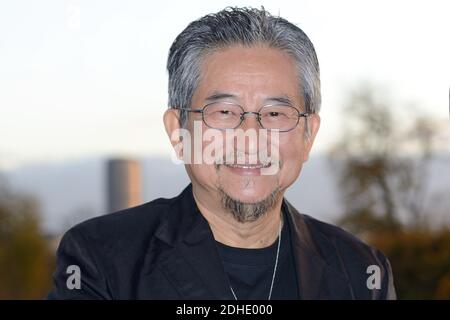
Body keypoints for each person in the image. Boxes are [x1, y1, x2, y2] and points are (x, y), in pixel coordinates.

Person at [47, 7, 396, 300]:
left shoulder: (361, 272)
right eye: (225, 113)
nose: (250, 138)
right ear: (177, 131)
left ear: (308, 135)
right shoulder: (101, 261)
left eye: (275, 114)